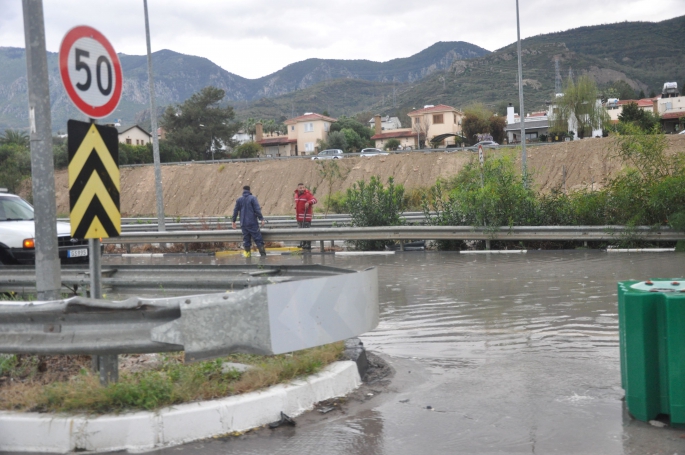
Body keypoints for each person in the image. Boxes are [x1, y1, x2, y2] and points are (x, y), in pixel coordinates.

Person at [231, 185, 266, 257]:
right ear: (249, 191)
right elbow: (257, 210)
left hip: (243, 224)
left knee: (246, 241)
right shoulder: (253, 198)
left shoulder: (239, 200)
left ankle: (248, 256)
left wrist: (233, 221)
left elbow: (235, 211)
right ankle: (263, 256)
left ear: (243, 190)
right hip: (252, 223)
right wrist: (261, 219)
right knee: (258, 239)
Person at [294, 183, 317, 250]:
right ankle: (303, 243)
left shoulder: (307, 194)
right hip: (299, 217)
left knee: (307, 231)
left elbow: (314, 200)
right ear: (298, 188)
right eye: (300, 188)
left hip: (306, 217)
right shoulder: (296, 195)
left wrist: (308, 202)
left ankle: (308, 244)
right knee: (300, 231)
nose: (302, 189)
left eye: (303, 187)